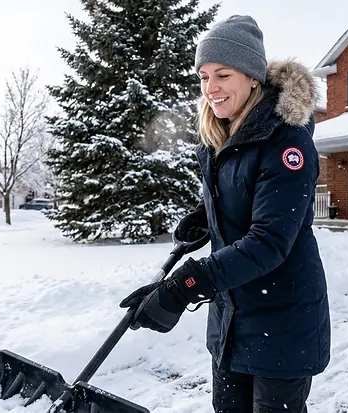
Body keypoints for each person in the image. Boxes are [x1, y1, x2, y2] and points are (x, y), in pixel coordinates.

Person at [119, 14, 331, 413]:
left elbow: (269, 241)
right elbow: (246, 194)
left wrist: (184, 286)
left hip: (282, 318)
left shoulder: (287, 142)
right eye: (203, 77)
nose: (210, 89)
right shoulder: (221, 136)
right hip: (232, 317)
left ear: (252, 77)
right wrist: (209, 215)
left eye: (222, 75)